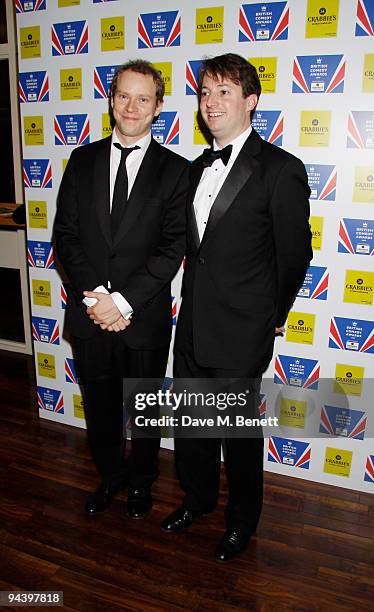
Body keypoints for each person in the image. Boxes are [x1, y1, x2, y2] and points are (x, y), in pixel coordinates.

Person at [161, 53, 313, 562]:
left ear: (251, 101)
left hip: (243, 330)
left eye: (224, 91)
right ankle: (198, 501)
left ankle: (241, 522)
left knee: (238, 438)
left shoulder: (280, 169)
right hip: (194, 327)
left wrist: (270, 316)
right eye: (205, 92)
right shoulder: (195, 168)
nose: (211, 101)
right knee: (194, 430)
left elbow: (294, 255)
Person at [54, 59, 189, 520]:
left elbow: (173, 247)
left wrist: (124, 302)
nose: (132, 107)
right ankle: (111, 476)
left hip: (143, 317)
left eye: (143, 98)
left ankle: (141, 482)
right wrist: (97, 298)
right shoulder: (82, 159)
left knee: (146, 409)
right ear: (112, 100)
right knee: (101, 406)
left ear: (158, 107)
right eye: (124, 96)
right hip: (91, 314)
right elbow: (66, 236)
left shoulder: (176, 170)